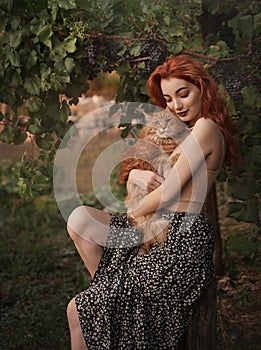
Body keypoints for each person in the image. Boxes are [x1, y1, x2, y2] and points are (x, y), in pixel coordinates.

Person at [66, 54, 238, 350]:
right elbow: (144, 169)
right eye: (169, 99)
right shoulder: (177, 132)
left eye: (184, 94)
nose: (177, 105)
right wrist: (134, 174)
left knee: (77, 310)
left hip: (181, 242)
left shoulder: (206, 127)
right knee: (80, 220)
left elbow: (169, 192)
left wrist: (133, 210)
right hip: (154, 232)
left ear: (202, 88)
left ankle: (112, 304)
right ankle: (115, 302)